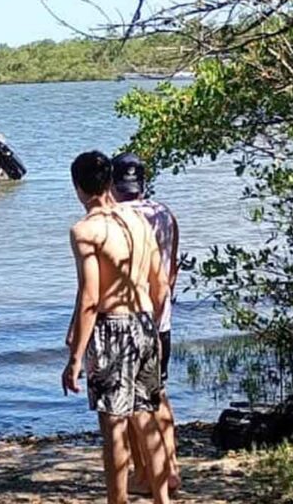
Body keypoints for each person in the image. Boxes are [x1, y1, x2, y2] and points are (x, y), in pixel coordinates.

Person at [63, 151, 172, 504]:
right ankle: (162, 499)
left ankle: (118, 501)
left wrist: (75, 357)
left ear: (78, 187)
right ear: (110, 182)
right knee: (146, 418)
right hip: (144, 323)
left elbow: (90, 298)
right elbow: (160, 284)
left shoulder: (85, 230)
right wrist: (152, 327)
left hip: (113, 328)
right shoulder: (139, 222)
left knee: (113, 426)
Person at [111, 153, 182, 495]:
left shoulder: (116, 218)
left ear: (113, 184)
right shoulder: (165, 213)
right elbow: (170, 271)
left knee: (129, 406)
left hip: (129, 320)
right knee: (158, 393)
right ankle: (171, 470)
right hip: (161, 318)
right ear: (143, 183)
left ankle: (144, 475)